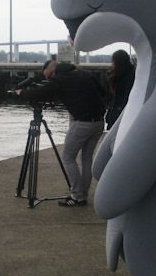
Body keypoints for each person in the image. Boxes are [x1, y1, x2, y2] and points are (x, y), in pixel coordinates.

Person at [17, 59, 106, 206]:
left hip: (82, 122)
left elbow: (38, 94)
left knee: (68, 157)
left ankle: (77, 195)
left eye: (48, 75)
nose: (48, 79)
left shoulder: (60, 79)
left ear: (52, 71)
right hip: (98, 122)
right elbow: (102, 92)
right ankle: (82, 195)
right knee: (86, 159)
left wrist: (21, 93)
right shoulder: (84, 73)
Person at [105, 49, 135, 130]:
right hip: (125, 112)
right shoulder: (132, 73)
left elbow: (117, 97)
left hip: (119, 112)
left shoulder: (118, 77)